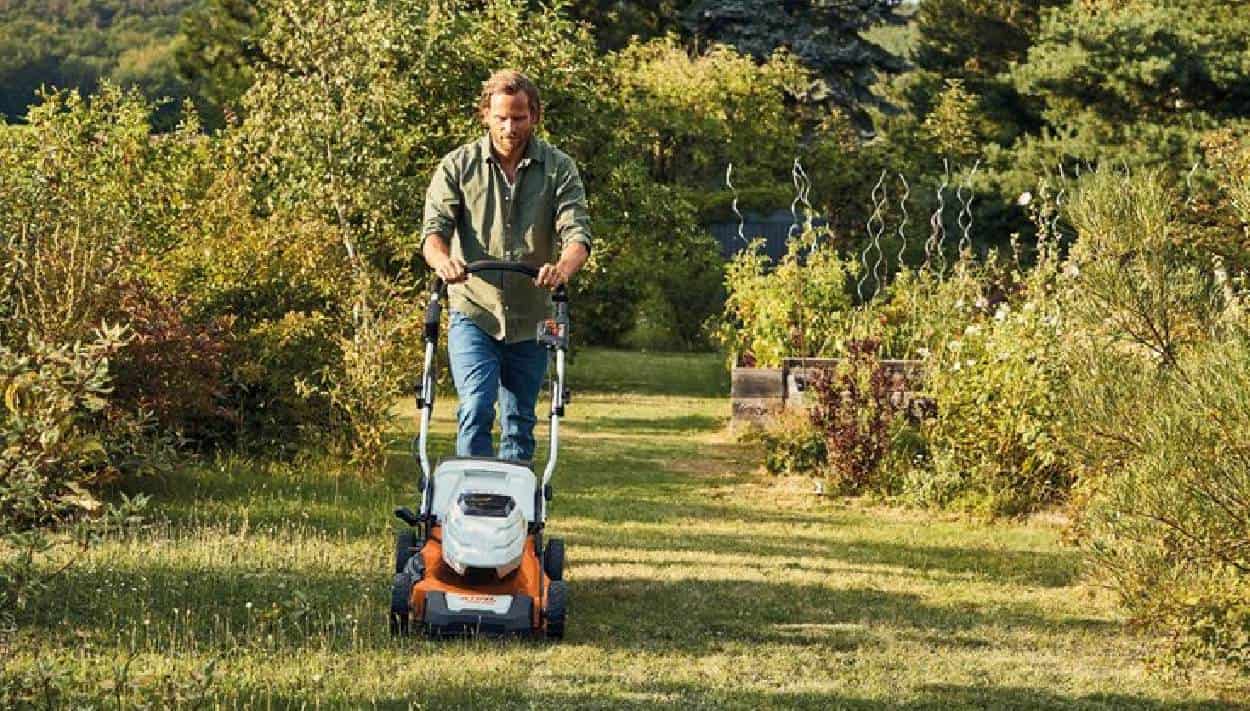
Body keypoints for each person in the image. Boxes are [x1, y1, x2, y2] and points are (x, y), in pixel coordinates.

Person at [420, 69, 591, 463]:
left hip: (533, 315)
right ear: (485, 115)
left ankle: (514, 517)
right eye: (501, 118)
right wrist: (444, 262)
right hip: (473, 309)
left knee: (519, 420)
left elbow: (577, 234)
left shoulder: (558, 168)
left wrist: (561, 268)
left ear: (535, 116)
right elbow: (433, 233)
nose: (510, 127)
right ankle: (473, 503)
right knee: (477, 406)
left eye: (518, 117)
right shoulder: (458, 166)